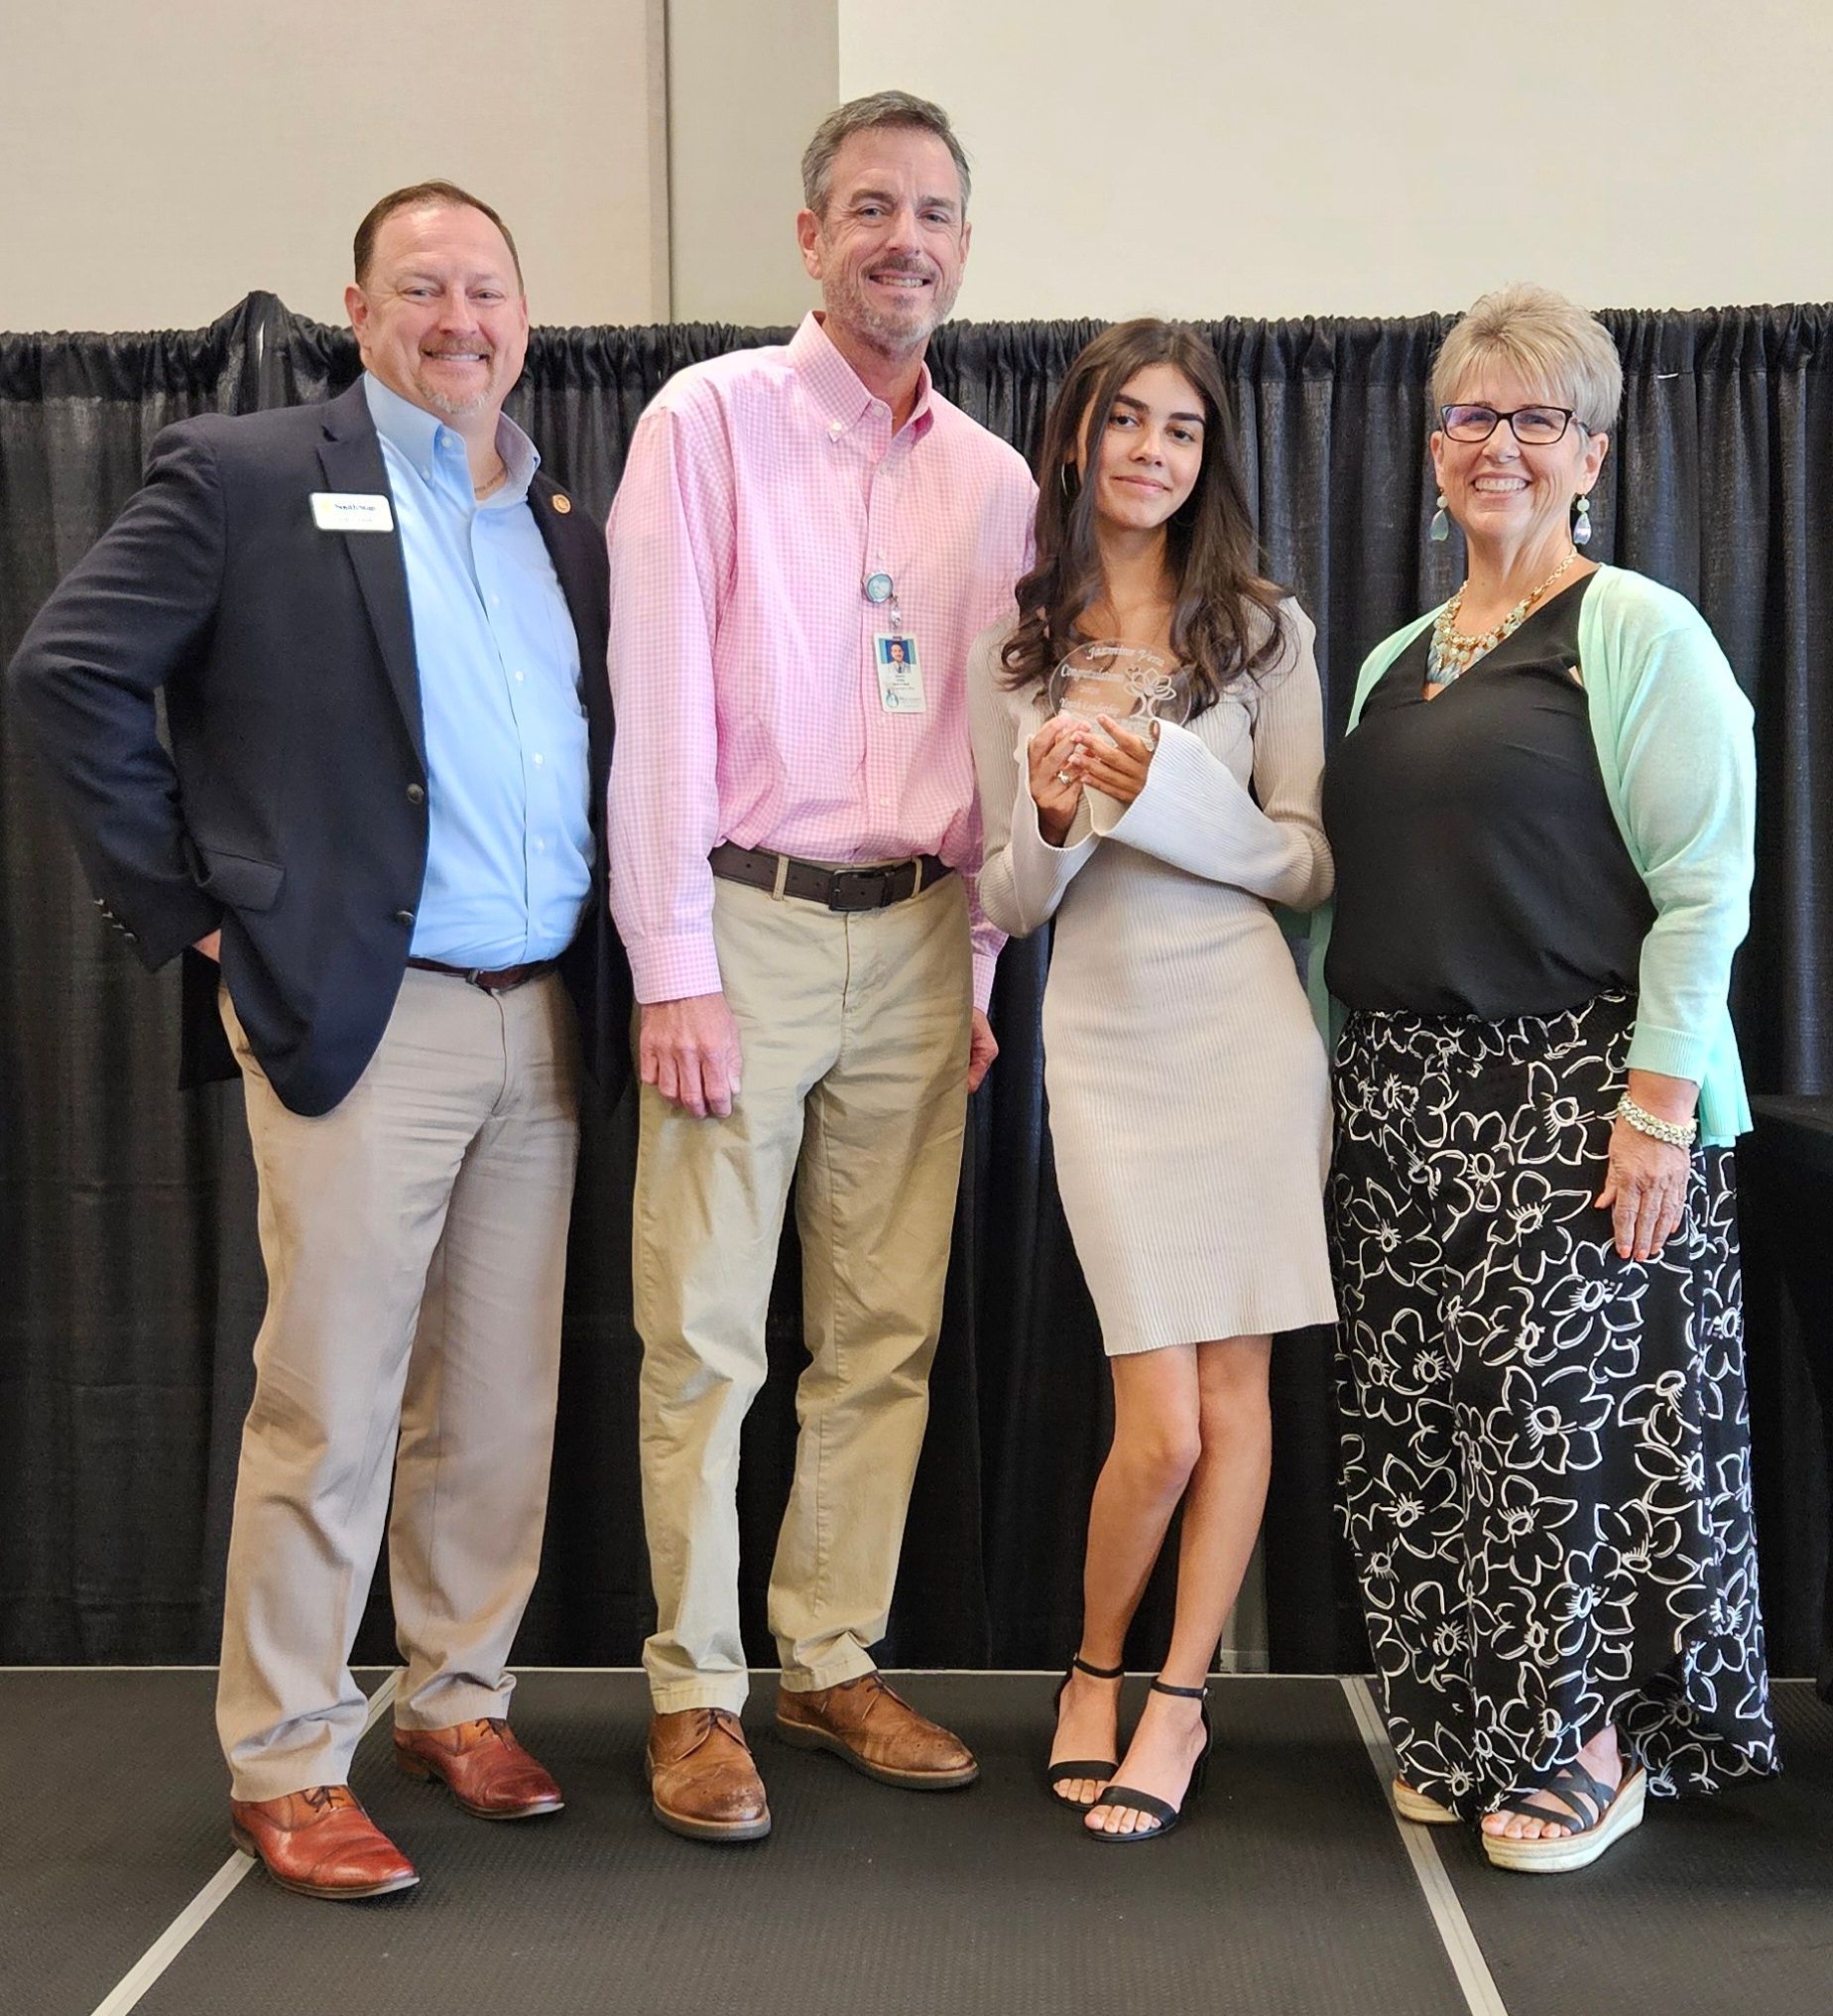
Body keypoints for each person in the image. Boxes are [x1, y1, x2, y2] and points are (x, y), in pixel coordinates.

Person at [8, 183, 629, 1900]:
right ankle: (287, 1751)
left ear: (526, 313)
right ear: (358, 313)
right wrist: (204, 906)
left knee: (499, 1404)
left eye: (486, 289)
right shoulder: (251, 474)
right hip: (370, 1009)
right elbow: (67, 673)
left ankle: (458, 1694)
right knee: (332, 1399)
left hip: (543, 1018)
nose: (459, 318)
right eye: (420, 289)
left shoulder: (559, 511)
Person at [604, 91, 1035, 1843]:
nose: (903, 239)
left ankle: (827, 1656)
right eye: (870, 208)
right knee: (705, 1336)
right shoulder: (703, 423)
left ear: (960, 247)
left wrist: (986, 968)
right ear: (809, 237)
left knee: (884, 1336)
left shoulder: (997, 478)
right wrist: (671, 966)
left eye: (933, 212)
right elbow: (650, 718)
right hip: (746, 926)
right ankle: (696, 1696)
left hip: (926, 947)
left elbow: (1001, 749)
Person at [1321, 283, 1776, 1873]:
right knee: (1421, 1433)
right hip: (1397, 1103)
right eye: (1469, 414)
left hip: (1572, 1098)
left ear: (1592, 449)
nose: (1495, 443)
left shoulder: (1635, 630)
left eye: (1534, 418)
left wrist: (1656, 1108)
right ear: (1431, 442)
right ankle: (1458, 1724)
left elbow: (1705, 884)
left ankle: (1583, 1743)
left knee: (1553, 1438)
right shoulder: (1393, 657)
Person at [968, 318, 1336, 1842]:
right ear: (1077, 439)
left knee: (1235, 1392)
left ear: (1207, 460)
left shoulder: (1264, 632)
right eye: (1126, 421)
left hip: (1245, 1034)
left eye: (1180, 430)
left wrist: (1177, 804)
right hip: (1108, 1044)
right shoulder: (1023, 645)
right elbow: (1013, 897)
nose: (1150, 452)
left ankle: (1176, 1698)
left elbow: (1306, 862)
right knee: (1160, 1425)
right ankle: (1088, 1666)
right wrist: (1059, 818)